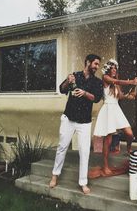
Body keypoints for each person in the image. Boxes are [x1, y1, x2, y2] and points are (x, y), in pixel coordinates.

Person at [49, 54, 103, 194]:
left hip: (84, 122)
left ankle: (83, 183)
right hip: (69, 118)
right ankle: (55, 175)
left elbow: (96, 98)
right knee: (62, 147)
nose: (97, 67)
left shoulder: (97, 82)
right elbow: (62, 89)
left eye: (98, 64)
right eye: (95, 64)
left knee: (84, 152)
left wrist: (85, 93)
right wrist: (68, 81)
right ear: (88, 62)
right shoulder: (75, 76)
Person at [93, 59, 137, 175]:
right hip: (108, 109)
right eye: (112, 68)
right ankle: (105, 166)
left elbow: (126, 96)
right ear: (108, 69)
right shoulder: (105, 78)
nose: (114, 70)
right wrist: (131, 82)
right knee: (108, 139)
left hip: (116, 109)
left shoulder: (116, 85)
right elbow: (117, 81)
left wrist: (135, 86)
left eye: (115, 68)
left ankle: (129, 149)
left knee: (130, 134)